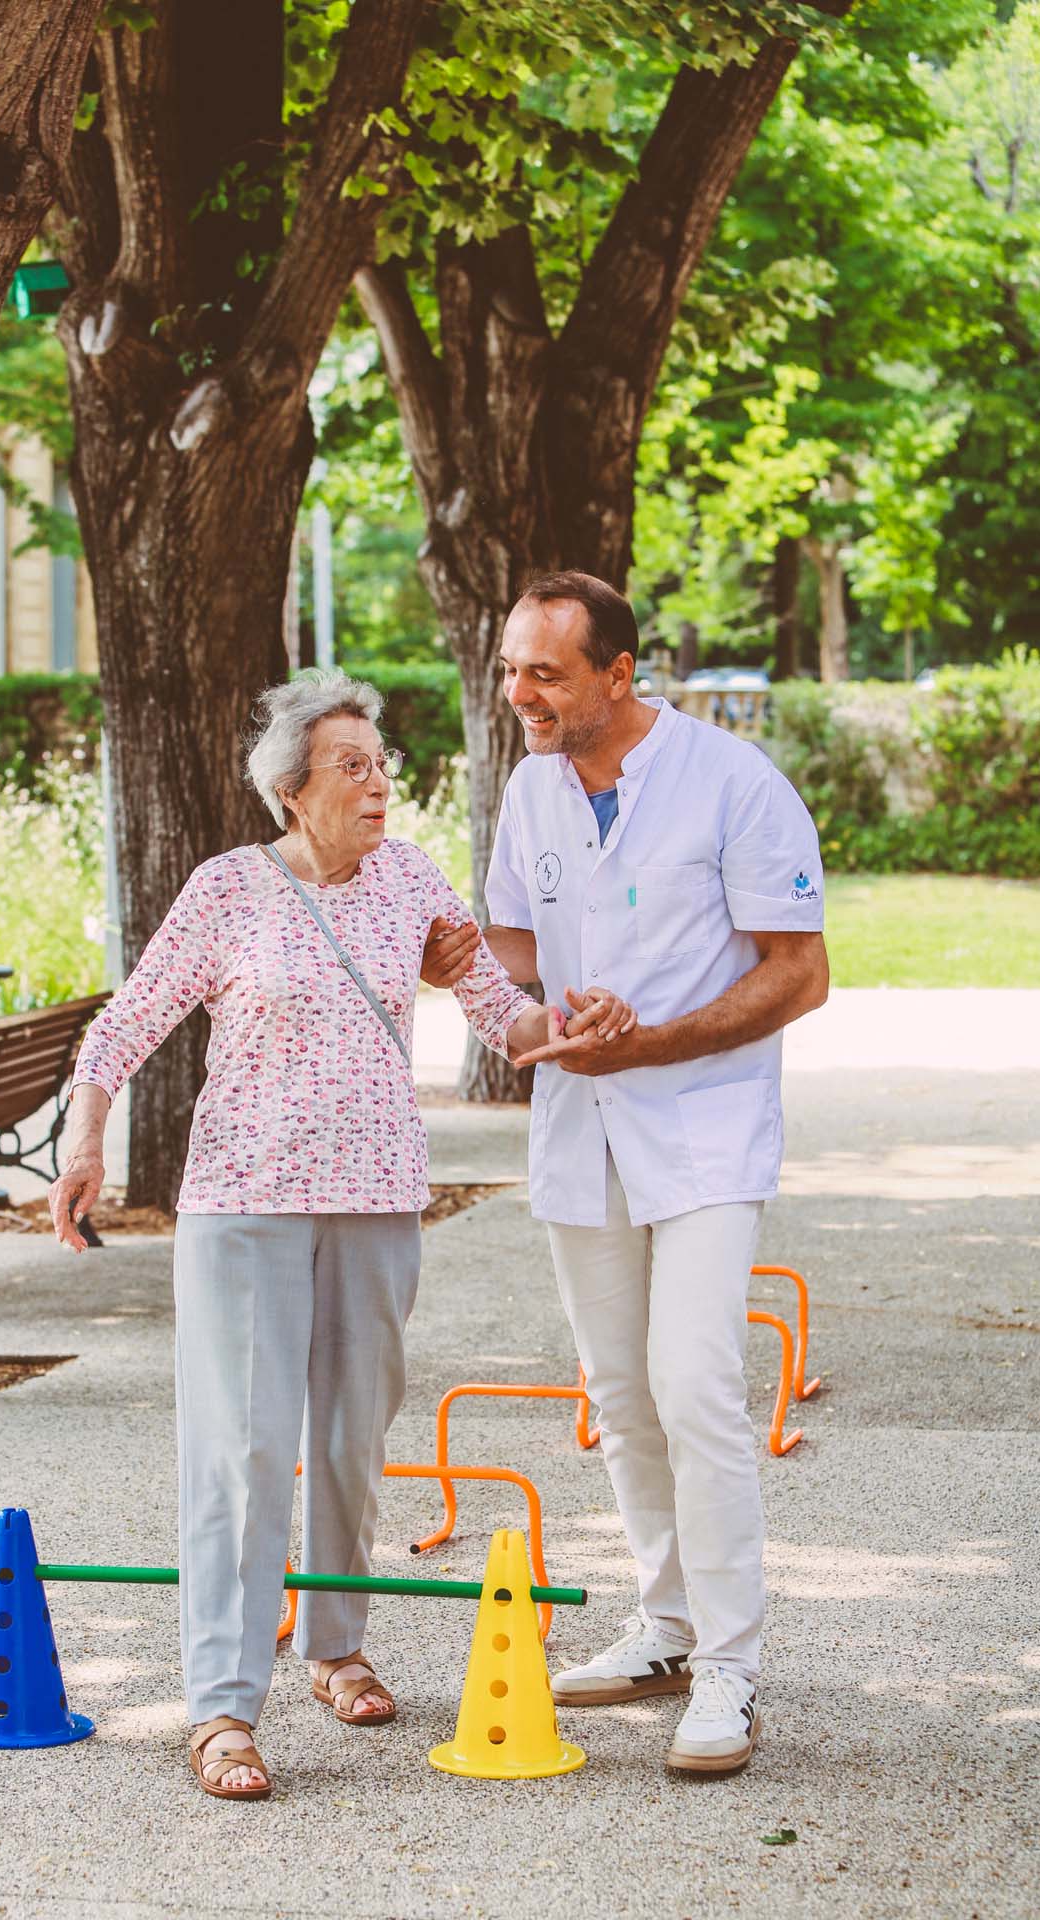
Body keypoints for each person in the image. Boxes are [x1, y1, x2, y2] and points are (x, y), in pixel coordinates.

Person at [48, 669, 633, 1801]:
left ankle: (333, 1646)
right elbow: (124, 1027)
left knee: (353, 1439)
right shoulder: (227, 891)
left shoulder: (409, 878)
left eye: (382, 764)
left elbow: (487, 1003)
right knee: (245, 1450)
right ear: (289, 789)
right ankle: (221, 1707)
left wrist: (553, 1022)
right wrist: (85, 1145)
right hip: (243, 1200)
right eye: (351, 766)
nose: (378, 785)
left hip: (376, 1198)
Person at [428, 571, 828, 1778]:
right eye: (510, 669)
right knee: (617, 1393)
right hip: (579, 1129)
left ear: (618, 674)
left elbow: (797, 972)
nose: (518, 695)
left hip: (702, 1126)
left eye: (544, 673)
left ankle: (730, 1669)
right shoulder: (530, 792)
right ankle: (661, 1626)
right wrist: (529, 1009)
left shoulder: (731, 783)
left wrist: (644, 1035)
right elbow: (507, 947)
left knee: (696, 1382)